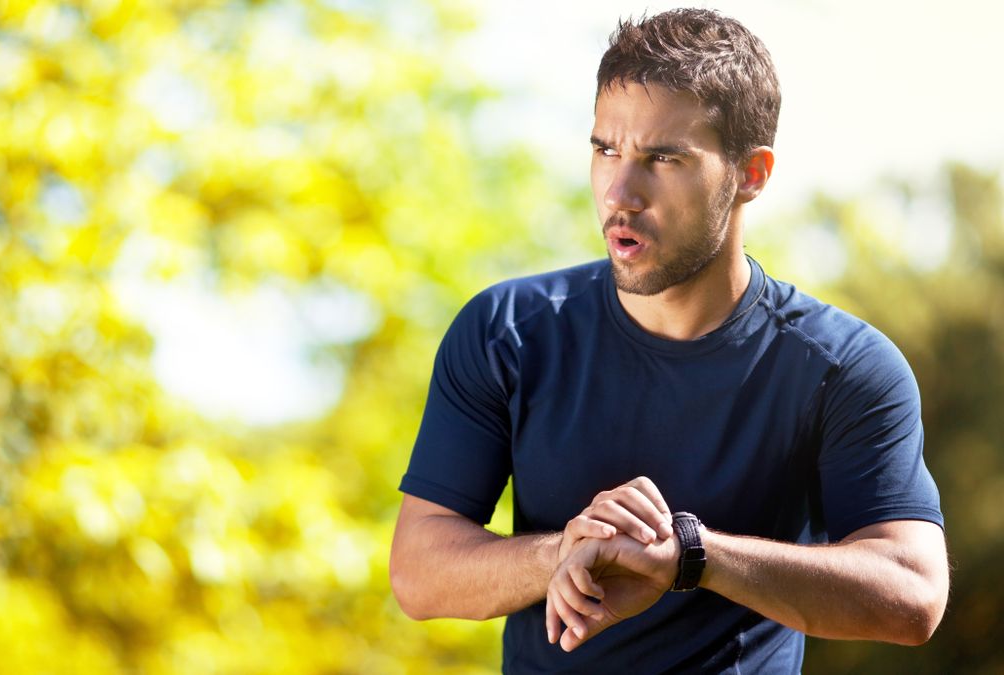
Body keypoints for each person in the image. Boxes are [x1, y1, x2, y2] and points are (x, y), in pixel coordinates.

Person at [388, 8, 948, 673]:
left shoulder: (842, 368)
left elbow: (913, 593)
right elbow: (418, 572)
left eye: (663, 157)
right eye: (605, 149)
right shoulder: (505, 333)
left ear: (752, 174)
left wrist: (692, 556)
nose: (619, 192)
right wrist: (566, 549)